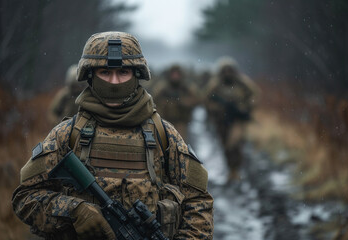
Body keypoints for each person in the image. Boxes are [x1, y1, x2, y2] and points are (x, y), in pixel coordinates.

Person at [12, 32, 213, 240]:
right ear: (90, 75)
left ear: (136, 75)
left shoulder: (164, 135)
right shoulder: (67, 134)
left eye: (123, 72)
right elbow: (25, 198)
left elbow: (199, 204)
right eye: (105, 73)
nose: (114, 82)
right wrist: (74, 212)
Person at [204, 56, 260, 183]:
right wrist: (219, 108)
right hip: (222, 120)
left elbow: (254, 95)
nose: (228, 74)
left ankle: (235, 170)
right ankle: (231, 169)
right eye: (225, 71)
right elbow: (206, 100)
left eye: (230, 71)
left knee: (236, 144)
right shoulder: (215, 84)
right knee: (226, 145)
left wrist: (244, 107)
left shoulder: (242, 82)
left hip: (238, 120)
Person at [153, 64, 199, 141]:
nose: (175, 76)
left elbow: (196, 100)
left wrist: (182, 102)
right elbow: (154, 102)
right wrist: (166, 104)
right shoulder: (163, 88)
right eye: (173, 74)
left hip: (181, 121)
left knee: (180, 143)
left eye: (177, 74)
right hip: (166, 121)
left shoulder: (186, 87)